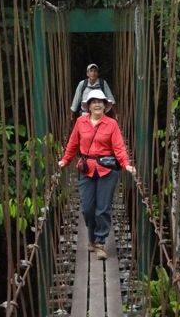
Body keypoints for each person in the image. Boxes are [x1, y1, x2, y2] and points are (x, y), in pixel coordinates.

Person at [58, 89, 136, 260]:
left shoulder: (112, 124)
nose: (97, 104)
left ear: (105, 105)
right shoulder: (80, 122)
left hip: (107, 169)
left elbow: (119, 146)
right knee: (87, 208)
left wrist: (126, 164)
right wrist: (65, 160)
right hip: (86, 168)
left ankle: (100, 243)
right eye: (94, 102)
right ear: (89, 106)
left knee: (103, 208)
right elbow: (73, 143)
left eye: (100, 101)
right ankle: (92, 237)